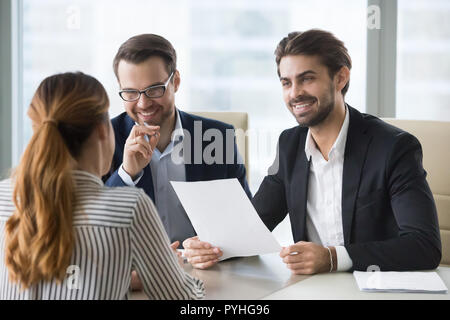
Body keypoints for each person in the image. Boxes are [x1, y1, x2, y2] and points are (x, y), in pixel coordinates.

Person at [184, 29, 442, 273]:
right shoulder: (290, 146)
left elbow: (424, 246)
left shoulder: (394, 148)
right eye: (286, 83)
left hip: (373, 289)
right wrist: (209, 247)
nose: (295, 93)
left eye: (307, 79)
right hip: (309, 290)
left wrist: (332, 258)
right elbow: (254, 227)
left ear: (340, 78)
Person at [0, 72, 204, 299]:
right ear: (101, 129)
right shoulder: (130, 209)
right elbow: (184, 299)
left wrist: (125, 278)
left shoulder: (3, 196)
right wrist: (167, 268)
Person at [104, 34, 251, 255]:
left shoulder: (217, 137)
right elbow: (93, 227)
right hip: (133, 277)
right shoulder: (104, 138)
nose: (143, 104)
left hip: (204, 272)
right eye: (131, 93)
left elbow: (244, 225)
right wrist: (126, 174)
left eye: (154, 89)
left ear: (176, 82)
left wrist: (215, 250)